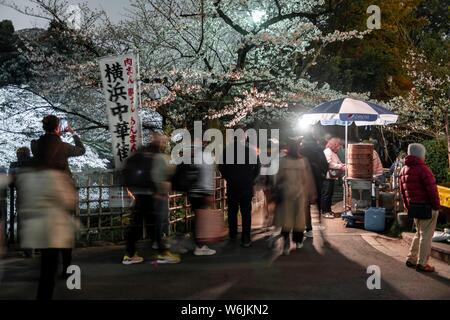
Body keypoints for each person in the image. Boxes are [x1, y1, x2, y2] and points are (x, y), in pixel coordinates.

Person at [30, 115, 85, 278]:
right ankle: (67, 269)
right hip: (62, 194)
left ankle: (47, 269)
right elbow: (82, 150)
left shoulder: (35, 145)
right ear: (58, 128)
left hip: (42, 194)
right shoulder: (64, 147)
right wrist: (73, 133)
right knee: (64, 231)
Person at [15, 166, 78, 300]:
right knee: (59, 255)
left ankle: (47, 289)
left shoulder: (31, 175)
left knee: (48, 263)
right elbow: (69, 201)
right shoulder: (59, 177)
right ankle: (66, 271)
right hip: (58, 224)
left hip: (42, 225)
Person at [399, 143, 440, 273]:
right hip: (427, 207)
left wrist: (408, 206)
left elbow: (402, 192)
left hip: (414, 208)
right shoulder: (424, 169)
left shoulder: (403, 170)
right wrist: (436, 206)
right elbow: (432, 190)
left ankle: (411, 258)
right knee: (426, 236)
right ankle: (422, 263)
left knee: (418, 233)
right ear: (421, 155)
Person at [274, 138, 316, 256]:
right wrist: (312, 193)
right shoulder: (303, 161)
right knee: (299, 221)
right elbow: (308, 179)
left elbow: (278, 178)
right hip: (300, 194)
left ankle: (286, 244)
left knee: (286, 220)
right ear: (298, 147)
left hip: (287, 194)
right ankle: (298, 242)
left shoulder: (283, 161)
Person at [219, 129, 261, 248]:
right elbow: (257, 167)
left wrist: (228, 177)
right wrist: (251, 179)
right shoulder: (251, 151)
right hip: (247, 184)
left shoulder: (227, 150)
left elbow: (221, 167)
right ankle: (246, 238)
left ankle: (232, 235)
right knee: (246, 212)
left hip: (232, 185)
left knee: (232, 210)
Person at [188, 139, 217, 256]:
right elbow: (208, 176)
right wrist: (210, 193)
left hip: (192, 192)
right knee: (202, 220)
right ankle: (200, 247)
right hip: (203, 192)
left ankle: (197, 243)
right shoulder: (207, 156)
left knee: (197, 217)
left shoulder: (192, 157)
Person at [299, 133, 328, 238]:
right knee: (318, 201)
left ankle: (308, 227)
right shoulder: (319, 148)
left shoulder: (301, 149)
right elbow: (325, 164)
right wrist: (322, 174)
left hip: (304, 179)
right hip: (318, 178)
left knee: (305, 204)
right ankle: (320, 221)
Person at [320, 138, 345, 219]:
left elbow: (338, 162)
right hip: (328, 176)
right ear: (334, 145)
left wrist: (343, 165)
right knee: (326, 194)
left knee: (330, 194)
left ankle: (328, 210)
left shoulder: (334, 152)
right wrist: (340, 166)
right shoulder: (328, 151)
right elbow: (329, 163)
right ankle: (325, 211)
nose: (338, 148)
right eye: (338, 146)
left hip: (332, 177)